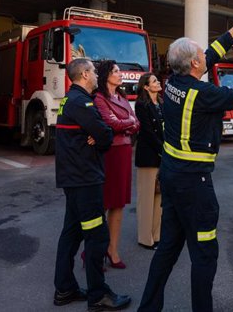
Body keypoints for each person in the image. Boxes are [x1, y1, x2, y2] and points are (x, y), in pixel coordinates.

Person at [138, 8, 233, 312]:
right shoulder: (203, 93)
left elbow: (210, 53)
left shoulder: (174, 82)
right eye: (200, 57)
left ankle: (148, 308)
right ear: (193, 64)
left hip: (173, 178)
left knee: (167, 250)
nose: (205, 58)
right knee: (205, 255)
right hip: (194, 185)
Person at [53, 58, 132, 311]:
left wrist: (97, 135)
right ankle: (98, 295)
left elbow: (99, 133)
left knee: (71, 233)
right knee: (97, 237)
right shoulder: (83, 102)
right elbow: (106, 134)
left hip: (74, 178)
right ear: (85, 74)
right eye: (94, 72)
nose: (97, 75)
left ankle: (65, 289)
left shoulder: (70, 99)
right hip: (85, 179)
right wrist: (99, 135)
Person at [93, 60, 140, 270]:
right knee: (103, 202)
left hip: (124, 151)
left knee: (119, 203)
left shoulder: (121, 97)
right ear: (105, 75)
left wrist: (125, 124)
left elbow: (135, 122)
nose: (120, 74)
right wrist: (126, 123)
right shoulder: (99, 98)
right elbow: (111, 124)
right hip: (109, 153)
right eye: (115, 71)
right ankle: (94, 251)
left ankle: (112, 249)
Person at [134, 72, 164, 250]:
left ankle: (157, 236)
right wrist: (163, 150)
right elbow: (147, 132)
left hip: (162, 155)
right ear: (146, 87)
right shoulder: (141, 105)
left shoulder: (161, 103)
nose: (158, 82)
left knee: (159, 198)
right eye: (154, 81)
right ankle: (145, 239)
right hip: (148, 157)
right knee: (146, 199)